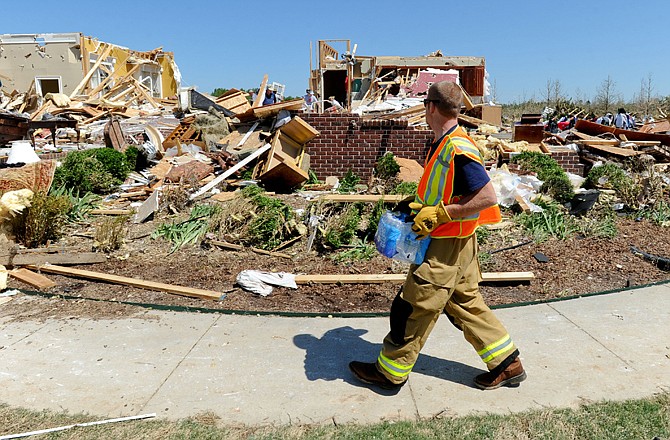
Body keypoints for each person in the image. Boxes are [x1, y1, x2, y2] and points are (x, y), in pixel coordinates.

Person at [349, 81, 526, 391]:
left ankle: (390, 372)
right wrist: (416, 204)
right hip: (459, 244)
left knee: (412, 307)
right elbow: (443, 190)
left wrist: (442, 213)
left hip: (445, 245)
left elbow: (487, 197)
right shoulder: (444, 142)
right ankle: (508, 364)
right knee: (465, 305)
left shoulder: (457, 148)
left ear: (430, 107)